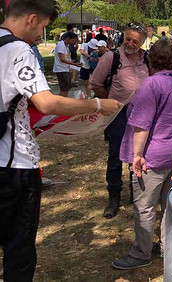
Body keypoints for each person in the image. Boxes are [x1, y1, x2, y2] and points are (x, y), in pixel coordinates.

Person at [0, 1, 121, 280]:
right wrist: (97, 106)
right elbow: (45, 102)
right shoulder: (18, 49)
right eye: (42, 27)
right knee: (19, 250)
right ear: (31, 19)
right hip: (14, 166)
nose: (39, 36)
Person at [112, 38, 172, 270]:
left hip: (156, 154)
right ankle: (166, 245)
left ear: (151, 60)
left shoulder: (151, 85)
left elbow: (142, 124)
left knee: (146, 205)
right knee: (170, 204)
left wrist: (137, 155)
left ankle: (143, 251)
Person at [90, 22, 149, 219]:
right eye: (128, 39)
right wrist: (111, 102)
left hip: (141, 113)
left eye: (135, 41)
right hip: (118, 113)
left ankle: (137, 194)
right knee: (116, 155)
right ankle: (113, 196)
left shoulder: (147, 59)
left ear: (142, 43)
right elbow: (95, 84)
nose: (130, 43)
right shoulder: (111, 57)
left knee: (139, 153)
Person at [53, 31, 82, 97]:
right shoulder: (61, 45)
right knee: (64, 90)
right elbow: (62, 59)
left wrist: (73, 62)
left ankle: (61, 102)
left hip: (65, 69)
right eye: (72, 41)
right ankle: (59, 102)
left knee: (66, 89)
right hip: (61, 70)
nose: (73, 43)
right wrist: (73, 64)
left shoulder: (66, 45)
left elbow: (66, 57)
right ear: (68, 38)